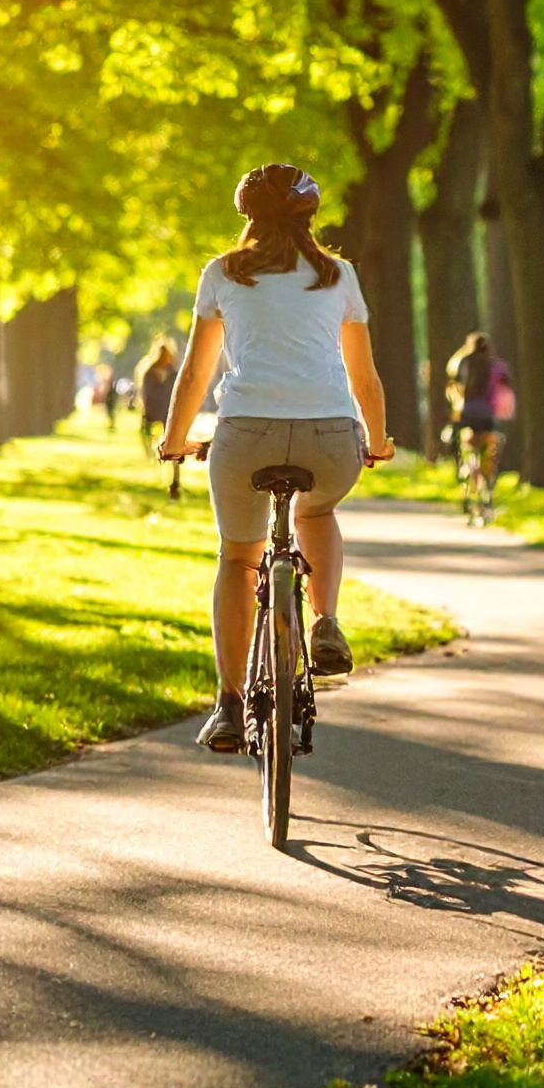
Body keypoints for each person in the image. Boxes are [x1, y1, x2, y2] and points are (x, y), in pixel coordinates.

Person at [156, 164, 395, 753]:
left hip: (245, 434)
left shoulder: (222, 273)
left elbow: (196, 373)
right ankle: (326, 622)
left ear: (248, 216)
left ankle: (229, 704)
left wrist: (173, 440)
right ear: (309, 215)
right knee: (317, 513)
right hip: (330, 436)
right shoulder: (338, 275)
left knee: (239, 558)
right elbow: (364, 377)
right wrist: (378, 440)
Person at [445, 332, 513, 494]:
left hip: (467, 412)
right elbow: (505, 391)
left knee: (453, 437)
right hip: (488, 415)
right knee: (490, 446)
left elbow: (454, 387)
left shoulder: (462, 362)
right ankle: (488, 483)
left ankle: (460, 467)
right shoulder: (498, 366)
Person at [138, 337, 176, 454]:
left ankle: (169, 445)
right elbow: (147, 394)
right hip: (154, 407)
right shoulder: (150, 373)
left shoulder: (172, 373)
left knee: (169, 415)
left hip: (167, 407)